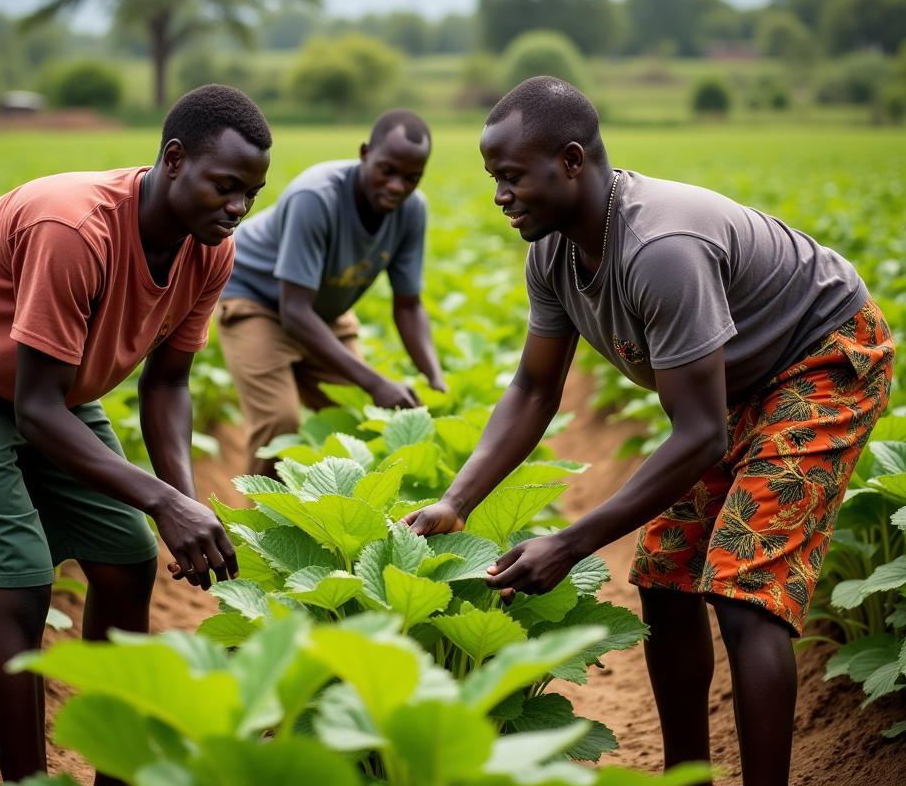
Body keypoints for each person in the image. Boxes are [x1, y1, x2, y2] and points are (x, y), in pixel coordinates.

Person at [404, 77, 894, 786]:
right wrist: (458, 500)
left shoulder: (660, 248)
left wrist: (572, 543)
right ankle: (684, 777)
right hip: (733, 383)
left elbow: (698, 437)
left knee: (743, 589)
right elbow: (535, 387)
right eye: (493, 179)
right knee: (666, 573)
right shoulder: (554, 253)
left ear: (571, 161)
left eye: (511, 177)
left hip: (822, 357)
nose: (500, 195)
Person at [0, 84, 272, 785]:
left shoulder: (211, 250)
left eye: (251, 192)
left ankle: (115, 771)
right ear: (175, 160)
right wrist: (162, 501)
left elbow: (167, 384)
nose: (238, 206)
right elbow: (35, 410)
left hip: (47, 379)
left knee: (125, 557)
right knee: (21, 578)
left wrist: (182, 502)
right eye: (226, 185)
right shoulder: (75, 229)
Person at [218, 109, 446, 475]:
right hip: (256, 297)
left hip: (322, 310)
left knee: (355, 419)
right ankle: (256, 528)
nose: (397, 186)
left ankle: (331, 512)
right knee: (280, 423)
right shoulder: (316, 197)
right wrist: (375, 381)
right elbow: (294, 312)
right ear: (365, 153)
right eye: (387, 170)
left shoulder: (411, 212)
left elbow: (408, 305)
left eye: (411, 178)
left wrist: (435, 376)